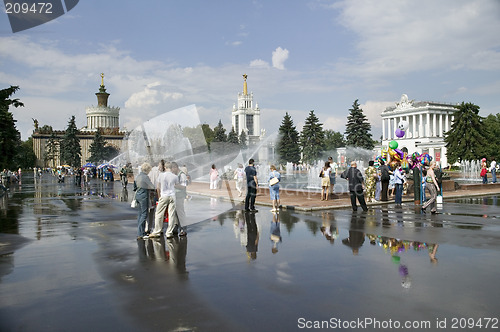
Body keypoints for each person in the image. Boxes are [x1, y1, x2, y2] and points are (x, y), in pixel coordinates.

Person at [150, 162, 186, 239]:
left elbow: (158, 187)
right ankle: (169, 232)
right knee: (171, 214)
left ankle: (157, 231)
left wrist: (159, 196)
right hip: (172, 196)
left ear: (165, 167)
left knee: (159, 214)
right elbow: (176, 185)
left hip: (164, 195)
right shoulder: (175, 176)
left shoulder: (161, 175)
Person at [133, 163, 155, 240]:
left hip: (138, 196)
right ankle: (140, 234)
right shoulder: (145, 177)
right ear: (147, 170)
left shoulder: (137, 176)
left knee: (140, 214)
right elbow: (152, 186)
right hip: (143, 196)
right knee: (144, 214)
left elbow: (134, 187)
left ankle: (140, 232)